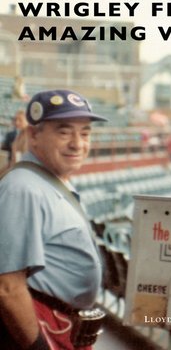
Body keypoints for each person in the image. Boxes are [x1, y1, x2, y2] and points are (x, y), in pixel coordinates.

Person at [0, 89, 108, 350]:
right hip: (43, 325)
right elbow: (7, 288)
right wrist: (39, 346)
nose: (77, 143)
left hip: (65, 324)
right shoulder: (23, 188)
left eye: (84, 133)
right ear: (34, 135)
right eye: (64, 131)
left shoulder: (47, 180)